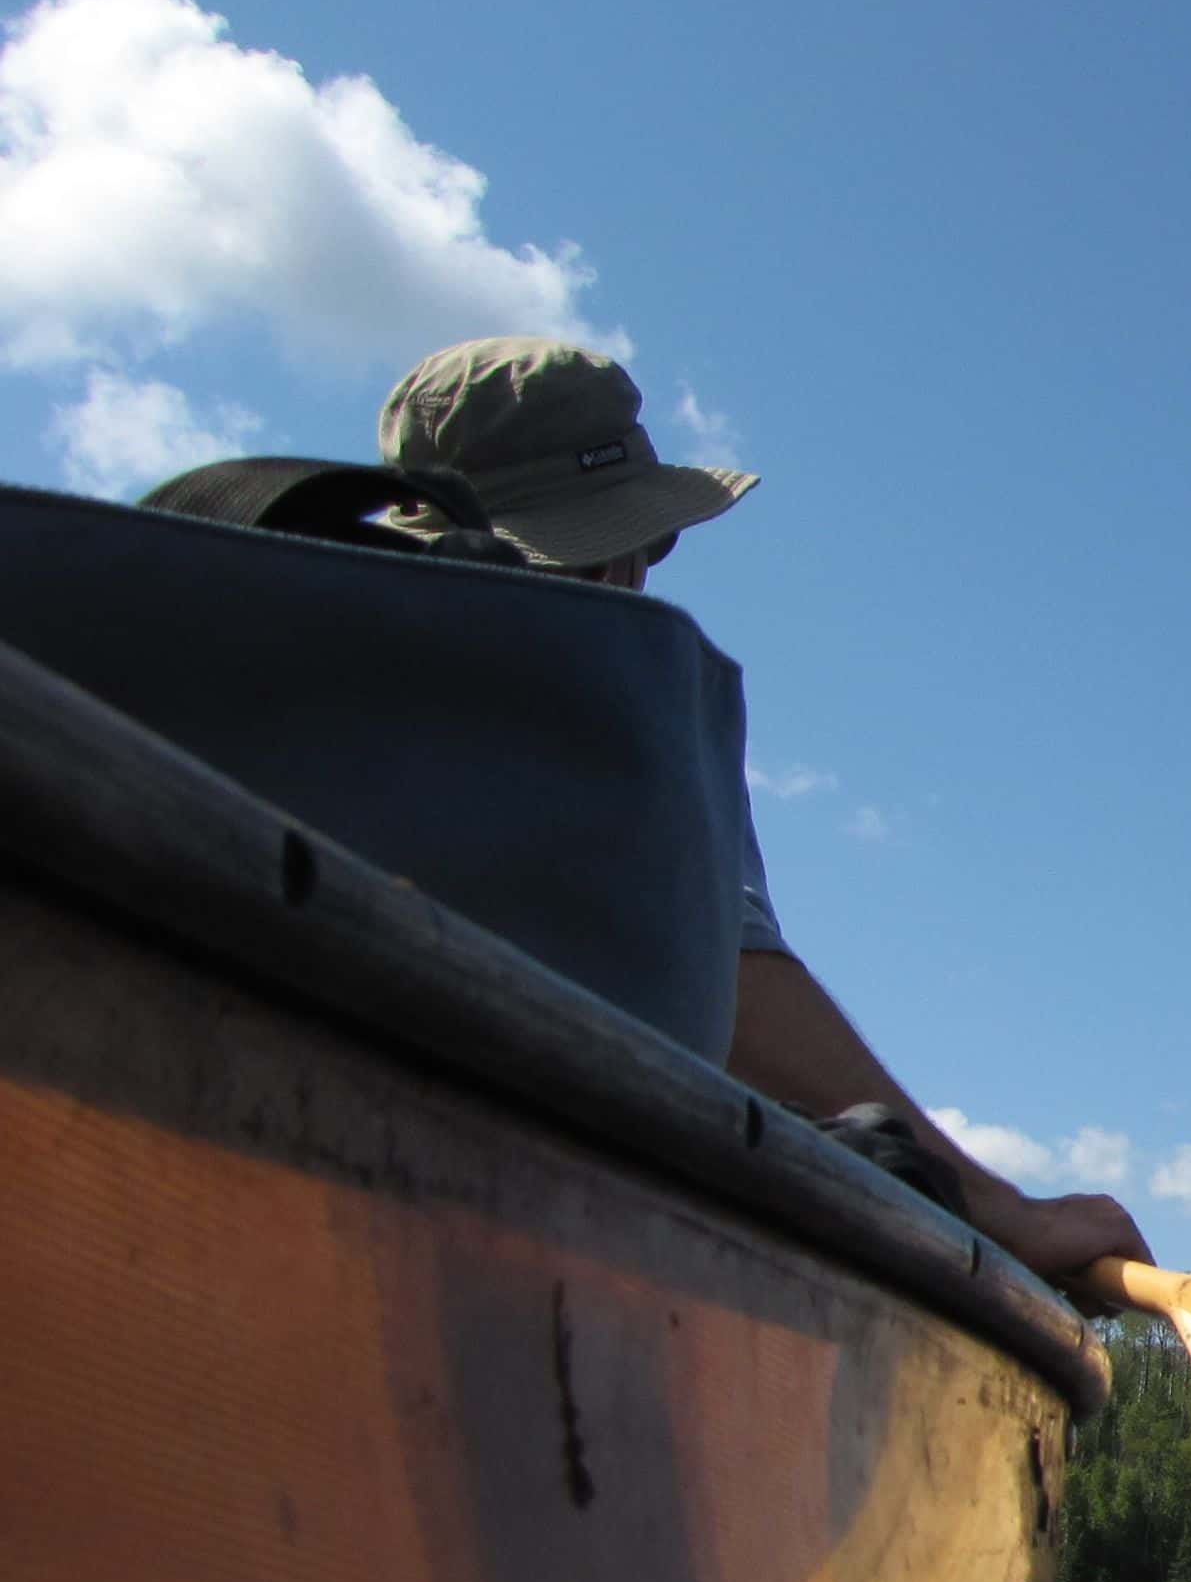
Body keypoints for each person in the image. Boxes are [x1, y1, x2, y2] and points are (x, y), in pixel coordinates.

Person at [377, 335, 1149, 1292]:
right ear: (601, 556)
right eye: (642, 540)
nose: (646, 569)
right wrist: (1003, 1213)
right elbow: (710, 971)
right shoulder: (609, 691)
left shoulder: (276, 651)